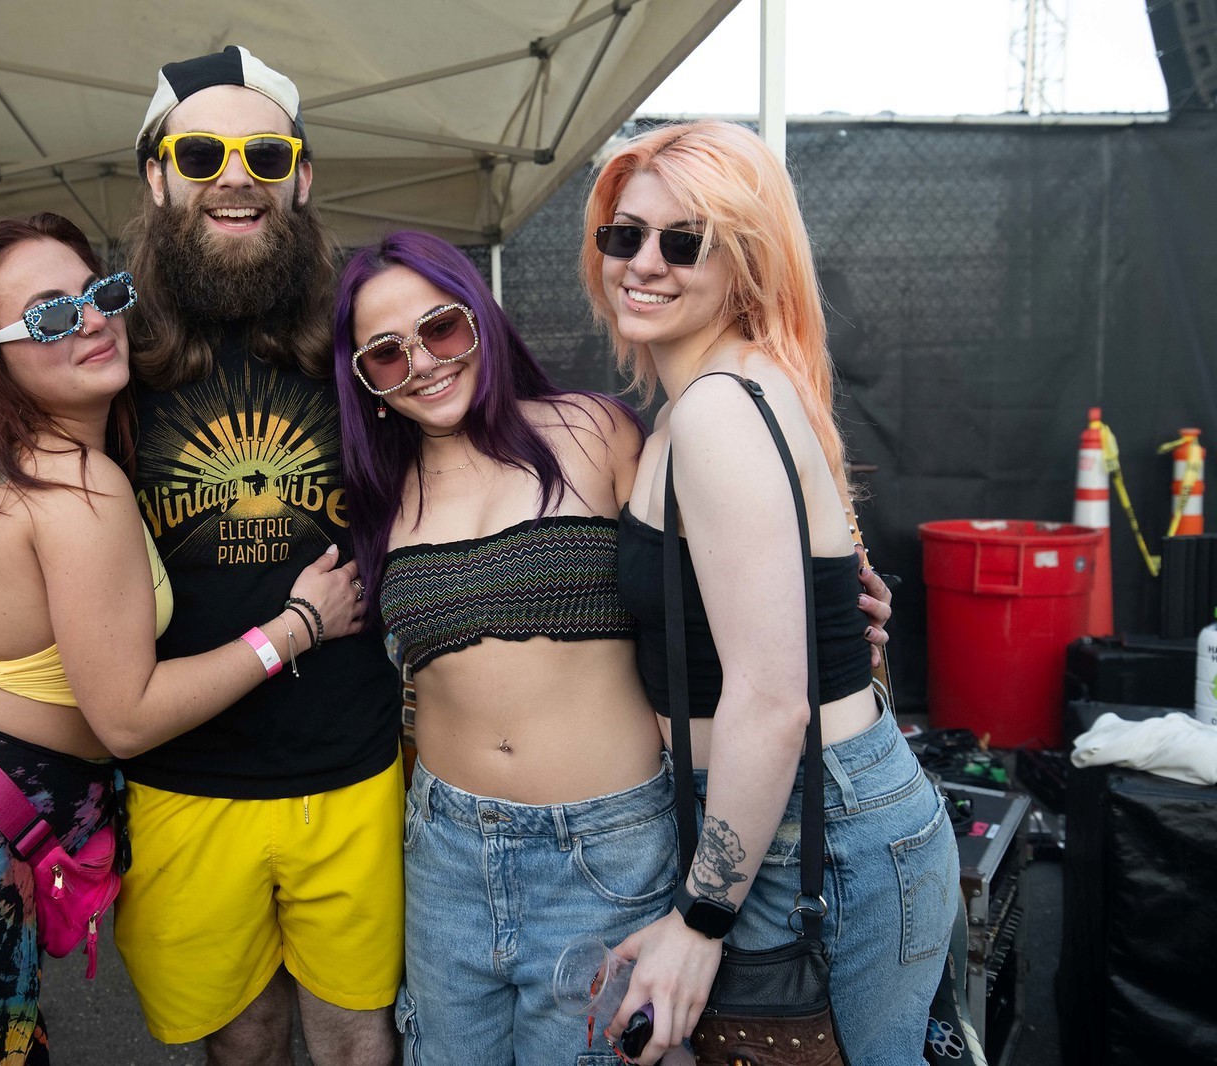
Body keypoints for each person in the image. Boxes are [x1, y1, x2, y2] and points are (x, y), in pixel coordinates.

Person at [0, 212, 361, 1064]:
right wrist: (297, 626)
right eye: (51, 315)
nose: (93, 319)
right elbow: (127, 718)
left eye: (101, 293)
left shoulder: (0, 468)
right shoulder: (74, 485)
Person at [331, 231, 895, 1066]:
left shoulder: (595, 433)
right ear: (366, 382)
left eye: (441, 328)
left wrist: (836, 606)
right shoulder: (379, 496)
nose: (423, 364)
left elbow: (717, 582)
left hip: (606, 849)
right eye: (387, 354)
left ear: (481, 320)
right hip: (446, 854)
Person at [583, 121, 959, 1066]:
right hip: (783, 815)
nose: (645, 263)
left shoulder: (719, 408)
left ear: (745, 264)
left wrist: (701, 919)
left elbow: (771, 697)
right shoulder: (706, 400)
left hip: (812, 829)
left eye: (686, 241)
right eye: (625, 234)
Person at [113, 46, 405, 1065]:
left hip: (353, 767)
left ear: (301, 177)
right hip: (183, 780)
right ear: (157, 178)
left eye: (264, 155)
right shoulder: (106, 355)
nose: (233, 176)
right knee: (243, 1043)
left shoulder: (363, 339)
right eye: (201, 154)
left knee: (358, 1040)